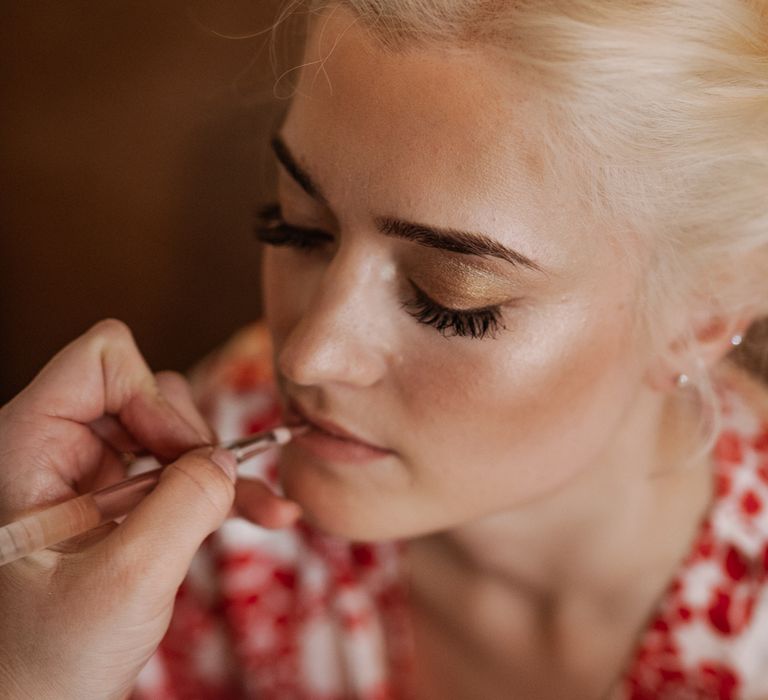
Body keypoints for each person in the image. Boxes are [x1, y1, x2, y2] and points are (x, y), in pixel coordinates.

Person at [1, 1, 768, 698]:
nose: (306, 356)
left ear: (698, 319)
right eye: (298, 227)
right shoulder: (208, 460)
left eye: (448, 297)